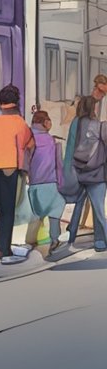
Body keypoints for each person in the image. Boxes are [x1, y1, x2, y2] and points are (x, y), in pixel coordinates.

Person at [0, 85, 33, 264]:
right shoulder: (20, 122)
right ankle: (3, 249)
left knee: (2, 210)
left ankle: (1, 247)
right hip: (10, 169)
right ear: (16, 102)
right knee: (8, 212)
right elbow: (30, 144)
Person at [65, 95, 107, 252]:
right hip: (97, 174)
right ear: (93, 108)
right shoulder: (100, 126)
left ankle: (71, 236)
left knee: (78, 204)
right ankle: (100, 241)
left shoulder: (75, 123)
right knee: (98, 209)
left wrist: (68, 170)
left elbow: (70, 147)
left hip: (78, 171)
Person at [25, 111, 67, 255]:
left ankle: (29, 241)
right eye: (49, 120)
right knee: (56, 209)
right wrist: (61, 182)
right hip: (50, 181)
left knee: (36, 213)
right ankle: (54, 239)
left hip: (35, 183)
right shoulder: (50, 140)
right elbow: (58, 164)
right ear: (44, 122)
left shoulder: (30, 138)